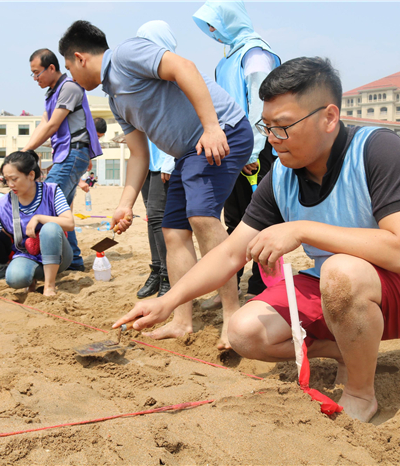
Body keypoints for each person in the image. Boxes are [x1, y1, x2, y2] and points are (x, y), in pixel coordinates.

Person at [113, 57, 400, 422]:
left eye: (283, 127)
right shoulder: (281, 176)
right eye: (266, 126)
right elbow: (229, 254)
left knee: (339, 270)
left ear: (329, 118)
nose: (271, 139)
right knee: (243, 331)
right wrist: (169, 301)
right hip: (336, 287)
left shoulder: (377, 150)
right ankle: (340, 348)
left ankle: (360, 393)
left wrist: (301, 229)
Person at [59, 20, 253, 349]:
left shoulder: (126, 54)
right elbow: (138, 154)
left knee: (202, 217)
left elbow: (183, 68)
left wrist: (211, 127)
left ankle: (233, 316)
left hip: (223, 132)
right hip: (187, 153)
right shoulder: (116, 99)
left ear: (80, 57)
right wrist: (125, 204)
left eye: (68, 68)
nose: (71, 77)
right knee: (172, 230)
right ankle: (181, 320)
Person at [194, 0, 281, 307]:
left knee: (261, 220)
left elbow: (261, 104)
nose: (214, 32)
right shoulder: (225, 60)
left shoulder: (254, 53)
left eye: (216, 24)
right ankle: (229, 286)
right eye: (210, 27)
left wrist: (254, 151)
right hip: (230, 149)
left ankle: (261, 286)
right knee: (233, 219)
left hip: (256, 149)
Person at [23, 49, 103, 272]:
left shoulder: (68, 87)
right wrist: (25, 149)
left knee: (47, 203)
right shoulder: (51, 93)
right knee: (61, 210)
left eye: (37, 73)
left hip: (73, 152)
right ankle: (75, 261)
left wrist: (26, 150)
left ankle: (50, 259)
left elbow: (52, 126)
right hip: (65, 154)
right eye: (32, 74)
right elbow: (43, 123)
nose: (35, 78)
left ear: (51, 68)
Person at [0, 151, 75, 297]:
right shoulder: (3, 203)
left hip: (60, 256)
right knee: (15, 279)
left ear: (31, 175)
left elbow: (70, 223)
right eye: (6, 180)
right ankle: (33, 278)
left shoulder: (52, 191)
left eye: (14, 179)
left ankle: (49, 285)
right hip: (27, 254)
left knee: (50, 228)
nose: (10, 185)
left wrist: (39, 218)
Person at [133, 20, 178, 299]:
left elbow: (180, 122)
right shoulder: (146, 77)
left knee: (161, 220)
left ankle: (168, 276)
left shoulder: (174, 74)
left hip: (166, 160)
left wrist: (170, 161)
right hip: (147, 161)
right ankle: (156, 268)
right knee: (151, 219)